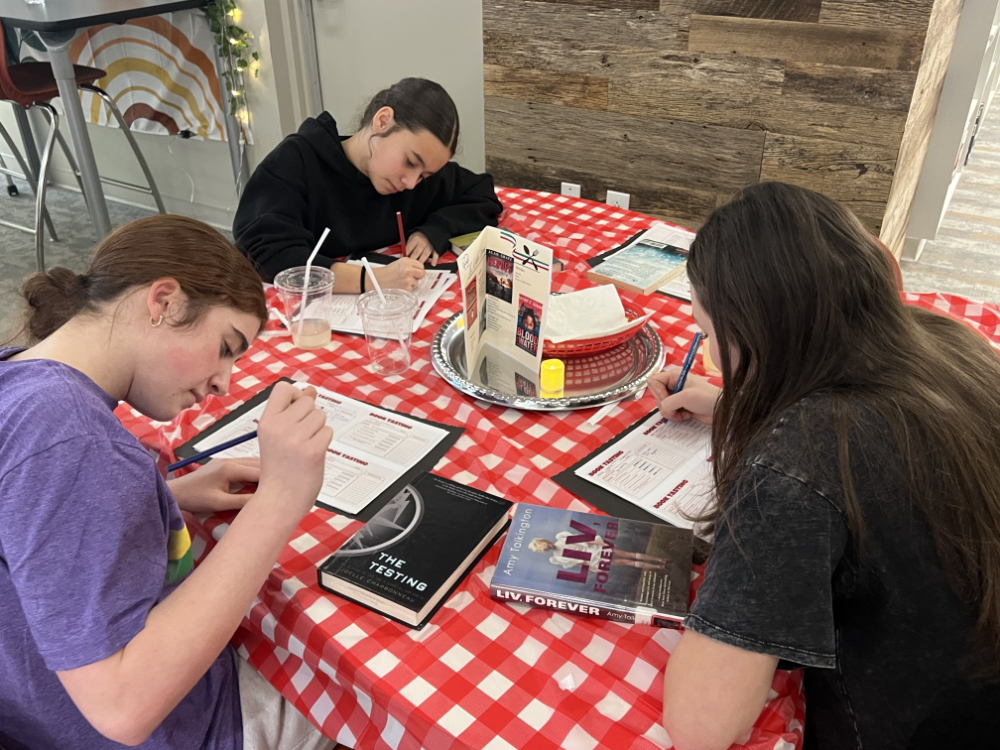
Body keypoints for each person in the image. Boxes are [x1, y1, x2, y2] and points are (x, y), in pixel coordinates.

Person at [648, 182, 1000, 750]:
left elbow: (702, 726)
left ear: (754, 336)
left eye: (709, 336)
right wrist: (731, 402)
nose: (711, 357)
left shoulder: (800, 460)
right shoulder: (948, 342)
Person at [0, 216, 337, 750]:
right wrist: (280, 499)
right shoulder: (70, 436)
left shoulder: (19, 379)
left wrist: (165, 496)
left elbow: (30, 536)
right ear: (163, 302)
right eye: (227, 346)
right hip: (180, 728)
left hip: (40, 713)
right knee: (353, 674)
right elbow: (124, 706)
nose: (225, 384)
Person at [233, 77, 503, 291]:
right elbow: (267, 254)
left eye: (425, 176)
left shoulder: (414, 177)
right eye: (410, 161)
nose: (410, 183)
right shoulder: (297, 162)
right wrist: (372, 280)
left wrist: (436, 229)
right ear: (383, 121)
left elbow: (480, 191)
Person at [528, 536, 667, 570]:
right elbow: (580, 562)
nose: (547, 549)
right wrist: (594, 568)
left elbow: (587, 540)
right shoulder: (557, 555)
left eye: (545, 547)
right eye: (544, 549)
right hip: (596, 558)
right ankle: (659, 564)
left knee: (628, 557)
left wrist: (604, 544)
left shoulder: (562, 541)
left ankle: (660, 562)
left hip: (597, 553)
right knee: (628, 559)